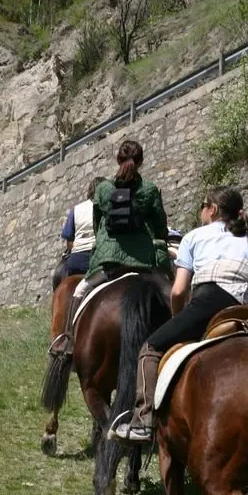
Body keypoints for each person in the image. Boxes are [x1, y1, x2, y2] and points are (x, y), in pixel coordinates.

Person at [111, 185, 248, 443]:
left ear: (212, 209)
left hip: (212, 300)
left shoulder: (193, 237)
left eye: (202, 205)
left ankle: (142, 420)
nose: (201, 210)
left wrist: (179, 319)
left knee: (150, 348)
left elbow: (178, 291)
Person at [51, 139, 172, 357]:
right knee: (170, 293)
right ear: (141, 161)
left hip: (109, 264)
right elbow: (160, 226)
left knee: (78, 292)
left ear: (118, 159)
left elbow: (98, 224)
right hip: (143, 262)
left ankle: (67, 340)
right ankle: (182, 339)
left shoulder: (104, 189)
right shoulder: (150, 189)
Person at [52, 176, 105, 291]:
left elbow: (69, 240)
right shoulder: (107, 208)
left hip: (77, 260)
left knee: (61, 272)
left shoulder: (76, 210)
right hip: (99, 259)